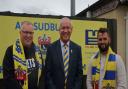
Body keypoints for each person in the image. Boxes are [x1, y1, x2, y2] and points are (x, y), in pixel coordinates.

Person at [3, 21, 45, 89]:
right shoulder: (10, 51)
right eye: (25, 32)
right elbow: (8, 78)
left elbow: (43, 75)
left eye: (30, 33)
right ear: (20, 33)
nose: (28, 35)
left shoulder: (38, 51)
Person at [45, 17, 83, 89]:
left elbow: (79, 74)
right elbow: (47, 74)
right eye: (63, 28)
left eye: (68, 28)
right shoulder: (51, 48)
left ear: (71, 30)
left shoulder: (77, 49)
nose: (65, 31)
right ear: (59, 30)